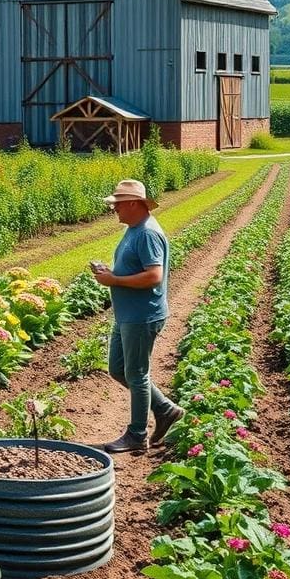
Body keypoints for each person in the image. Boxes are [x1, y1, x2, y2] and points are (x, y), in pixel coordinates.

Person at [91, 179, 183, 453]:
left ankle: (136, 435)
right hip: (127, 314)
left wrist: (114, 281)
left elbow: (154, 276)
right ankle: (165, 410)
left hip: (142, 315)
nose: (114, 209)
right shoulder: (134, 229)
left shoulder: (147, 234)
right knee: (119, 369)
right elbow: (135, 267)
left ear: (133, 203)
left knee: (137, 373)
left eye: (117, 204)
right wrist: (111, 273)